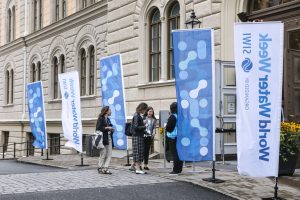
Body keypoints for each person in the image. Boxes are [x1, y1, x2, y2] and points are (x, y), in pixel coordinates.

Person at [96, 106, 115, 174]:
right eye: (110, 110)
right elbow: (98, 128)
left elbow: (109, 127)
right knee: (103, 153)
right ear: (106, 111)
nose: (111, 111)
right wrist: (107, 128)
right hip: (103, 138)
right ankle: (100, 167)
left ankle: (105, 168)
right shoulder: (101, 118)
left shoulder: (108, 119)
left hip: (109, 137)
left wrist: (112, 129)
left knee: (109, 154)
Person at [166, 102, 183, 175]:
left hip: (173, 137)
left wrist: (167, 129)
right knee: (179, 153)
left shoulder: (172, 117)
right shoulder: (180, 116)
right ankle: (179, 169)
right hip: (180, 136)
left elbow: (169, 127)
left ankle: (175, 170)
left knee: (175, 153)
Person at [131, 102, 148, 174]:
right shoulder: (136, 116)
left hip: (138, 136)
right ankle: (137, 169)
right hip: (137, 136)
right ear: (142, 108)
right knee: (138, 152)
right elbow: (135, 127)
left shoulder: (137, 115)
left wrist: (145, 132)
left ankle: (133, 166)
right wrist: (144, 126)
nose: (145, 111)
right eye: (145, 109)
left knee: (138, 152)